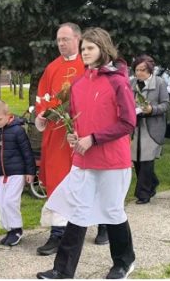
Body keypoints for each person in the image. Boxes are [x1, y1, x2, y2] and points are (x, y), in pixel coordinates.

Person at [37, 28, 137, 280]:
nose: (85, 53)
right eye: (83, 49)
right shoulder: (79, 84)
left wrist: (94, 138)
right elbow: (77, 120)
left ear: (103, 49)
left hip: (113, 161)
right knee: (78, 212)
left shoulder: (118, 81)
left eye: (90, 48)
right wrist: (74, 135)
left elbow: (128, 122)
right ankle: (62, 270)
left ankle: (124, 263)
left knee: (113, 212)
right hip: (83, 160)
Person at [33, 23, 87, 255]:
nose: (61, 44)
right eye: (58, 40)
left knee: (87, 180)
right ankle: (57, 233)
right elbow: (42, 97)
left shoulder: (89, 64)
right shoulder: (52, 67)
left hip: (82, 134)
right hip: (57, 134)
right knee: (57, 180)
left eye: (65, 39)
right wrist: (41, 115)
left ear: (78, 38)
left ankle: (104, 224)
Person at [0, 98, 35, 247]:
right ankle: (9, 229)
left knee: (10, 201)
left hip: (16, 172)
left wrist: (29, 172)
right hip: (1, 174)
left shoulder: (18, 131)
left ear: (8, 115)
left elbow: (27, 153)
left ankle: (17, 229)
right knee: (2, 203)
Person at [129, 55, 170, 204]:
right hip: (135, 126)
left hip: (152, 126)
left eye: (142, 70)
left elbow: (166, 105)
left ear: (150, 70)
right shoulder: (131, 83)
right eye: (137, 70)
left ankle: (143, 194)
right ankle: (152, 183)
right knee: (137, 160)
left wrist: (151, 109)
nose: (139, 73)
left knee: (146, 160)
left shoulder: (159, 83)